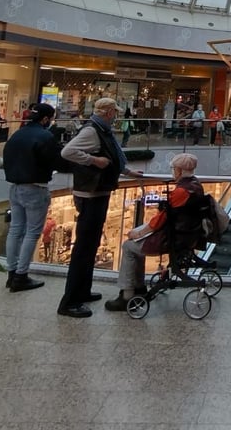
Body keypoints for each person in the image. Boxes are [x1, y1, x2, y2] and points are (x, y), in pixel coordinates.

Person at [58, 98, 129, 318]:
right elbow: (67, 152)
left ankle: (83, 291)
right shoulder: (92, 130)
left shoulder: (101, 129)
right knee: (84, 247)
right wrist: (93, 161)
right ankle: (69, 302)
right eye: (114, 112)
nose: (116, 116)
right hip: (90, 194)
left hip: (98, 191)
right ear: (107, 112)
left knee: (91, 244)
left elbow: (112, 157)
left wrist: (126, 172)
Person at [106, 153, 203, 311]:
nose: (172, 172)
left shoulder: (181, 192)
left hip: (171, 238)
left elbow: (160, 219)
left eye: (173, 169)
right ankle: (138, 287)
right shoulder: (196, 186)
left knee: (128, 247)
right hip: (184, 234)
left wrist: (139, 233)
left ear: (179, 170)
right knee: (134, 242)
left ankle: (128, 294)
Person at [2, 103, 63, 293]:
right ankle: (21, 275)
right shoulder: (45, 136)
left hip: (15, 187)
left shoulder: (18, 134)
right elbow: (56, 160)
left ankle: (11, 273)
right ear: (46, 119)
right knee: (32, 232)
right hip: (35, 188)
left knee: (15, 230)